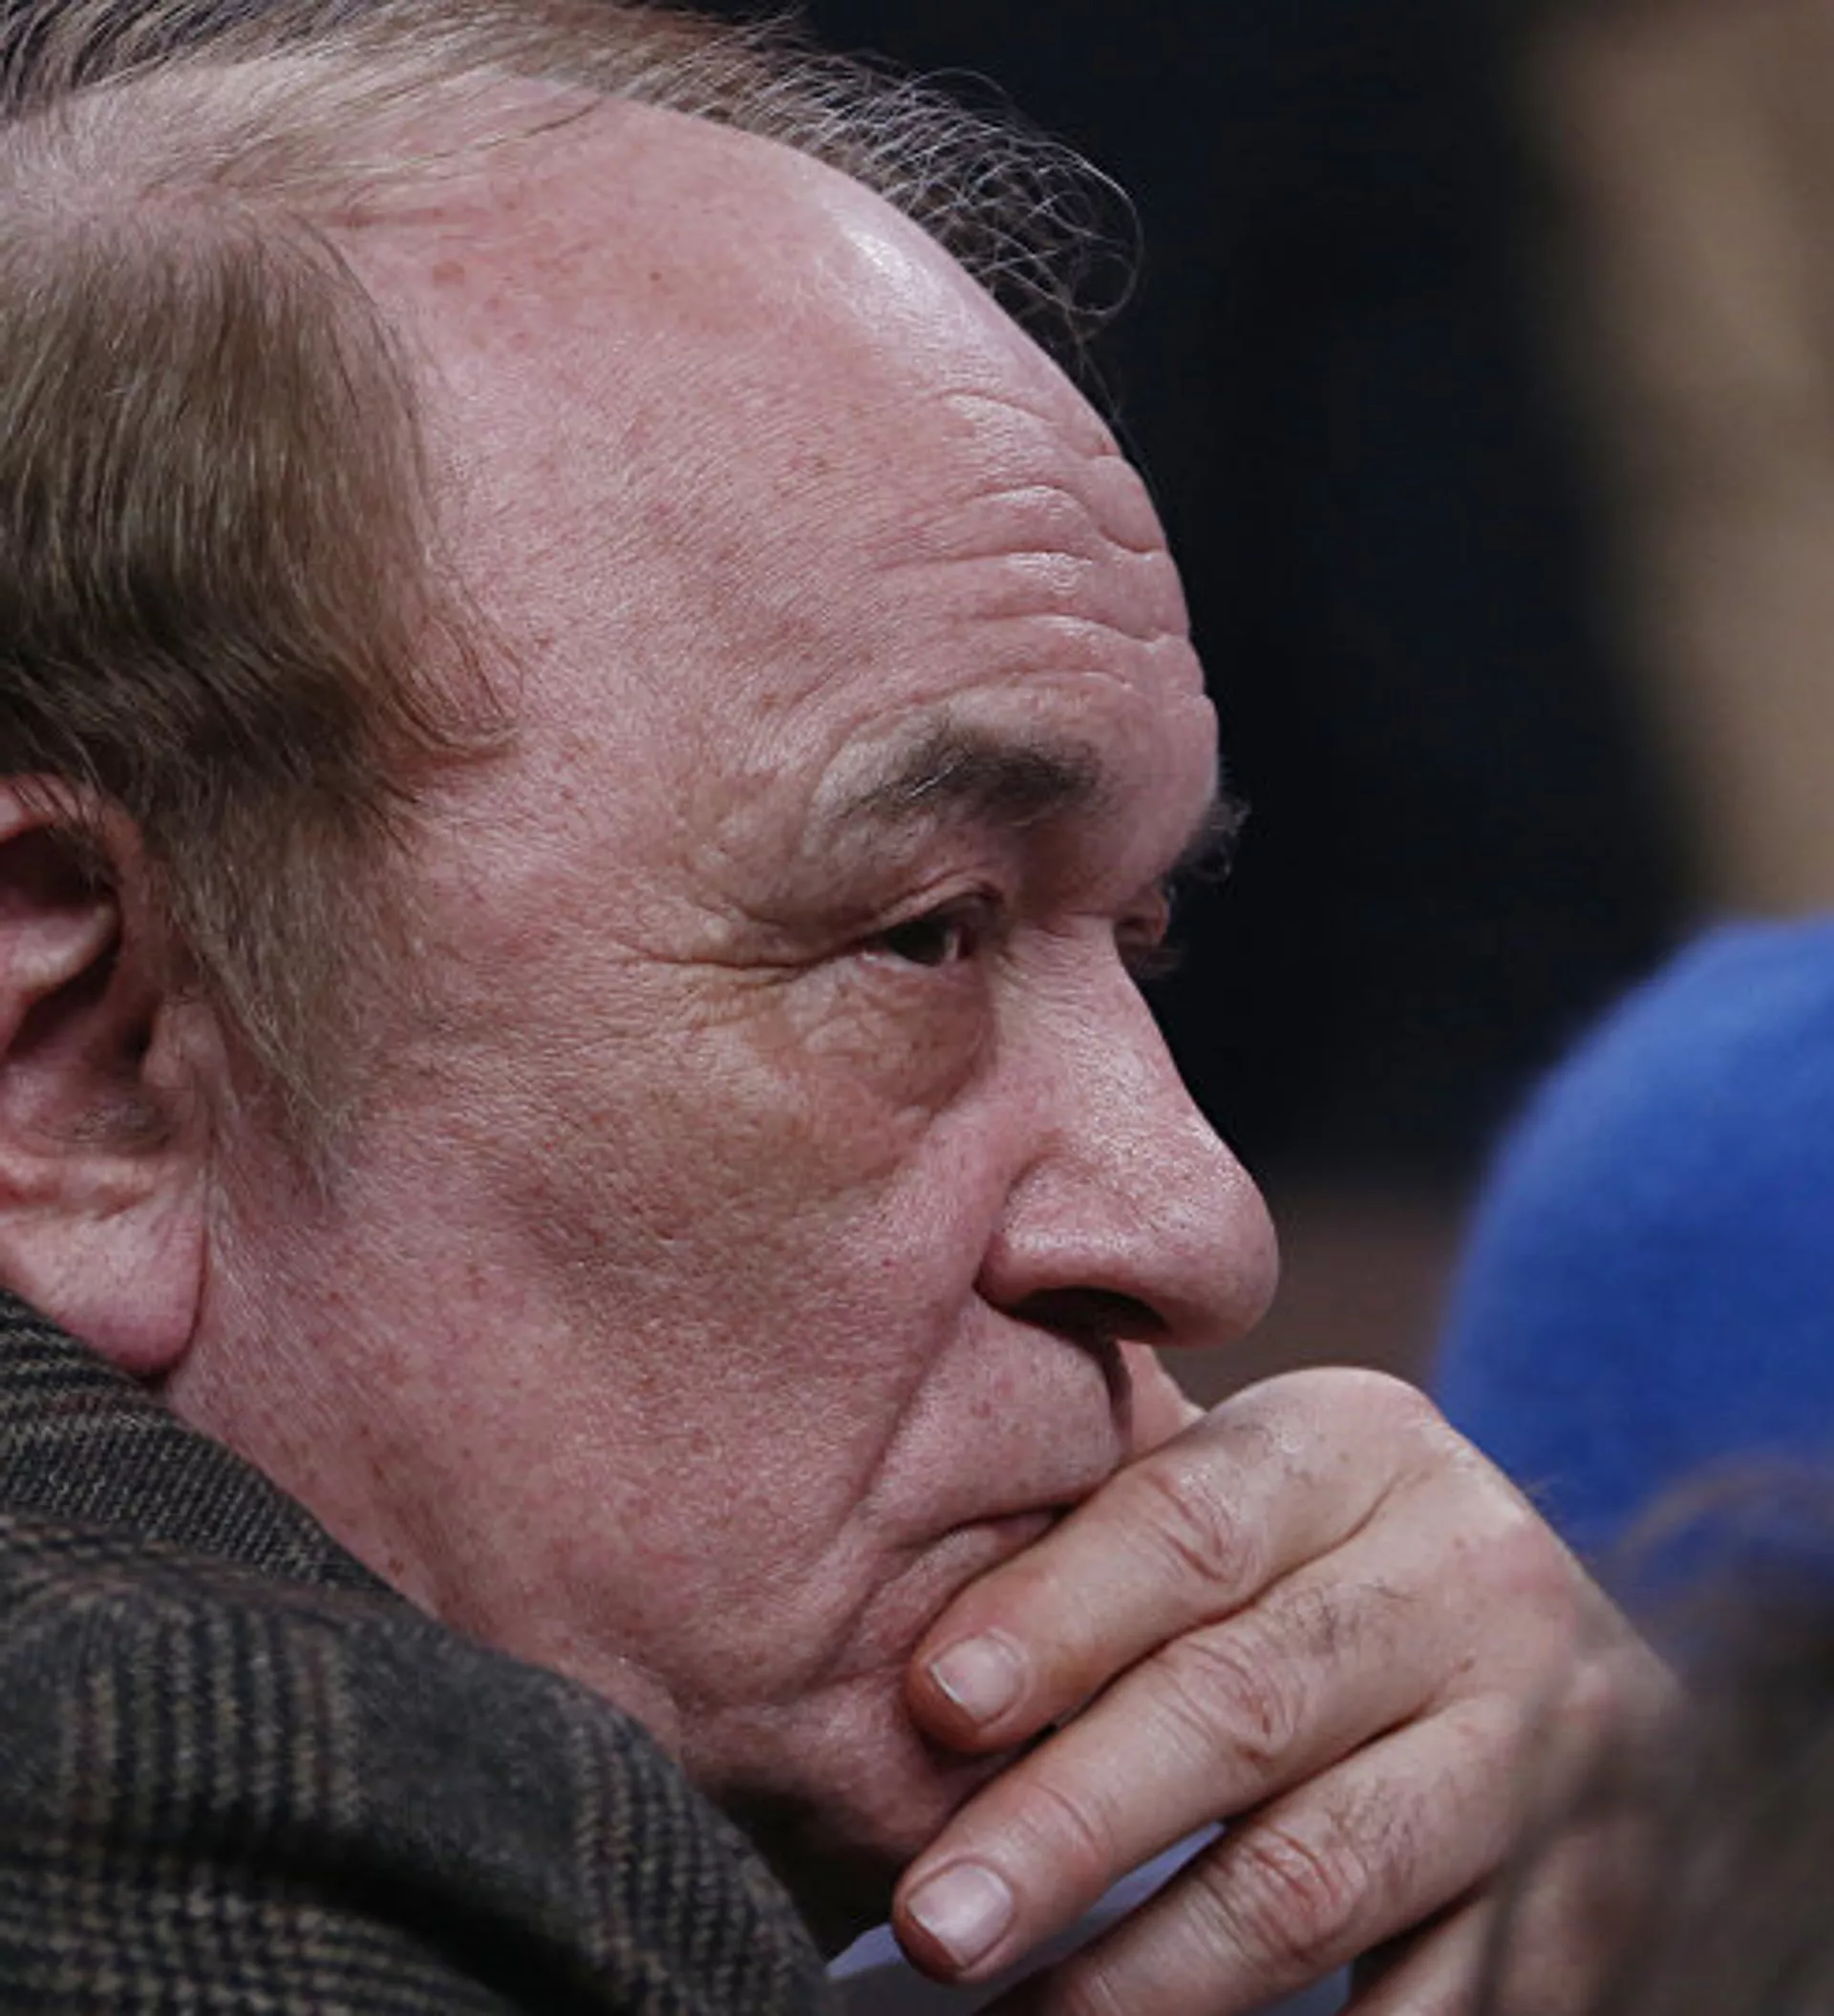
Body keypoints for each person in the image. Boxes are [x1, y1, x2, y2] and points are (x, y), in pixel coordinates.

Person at [0, 1, 1659, 2009]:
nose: (1199, 1229)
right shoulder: (156, 1772)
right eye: (922, 937)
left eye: (1138, 940)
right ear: (85, 1066)